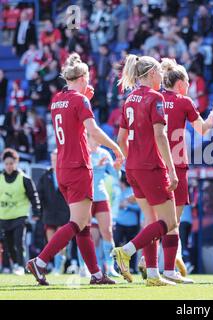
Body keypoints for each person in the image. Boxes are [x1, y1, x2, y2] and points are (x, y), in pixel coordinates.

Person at [26, 53, 124, 286]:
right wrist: (115, 148)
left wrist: (84, 98)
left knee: (82, 224)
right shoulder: (80, 101)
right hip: (78, 165)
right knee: (77, 223)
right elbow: (93, 131)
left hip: (62, 167)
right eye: (88, 78)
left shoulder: (57, 99)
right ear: (82, 77)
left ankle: (96, 274)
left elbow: (71, 118)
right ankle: (40, 262)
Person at [136, 58, 213, 284]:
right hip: (176, 165)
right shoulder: (184, 101)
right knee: (172, 221)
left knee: (153, 218)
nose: (190, 85)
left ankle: (149, 260)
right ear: (180, 83)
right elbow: (202, 130)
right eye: (188, 81)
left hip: (150, 164)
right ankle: (164, 266)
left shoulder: (156, 98)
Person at [113, 54, 179, 286]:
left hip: (133, 167)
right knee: (169, 222)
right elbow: (160, 135)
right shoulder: (155, 97)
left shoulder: (129, 99)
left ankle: (152, 275)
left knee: (150, 221)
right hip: (151, 166)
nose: (162, 76)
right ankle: (127, 251)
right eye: (160, 72)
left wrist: (132, 159)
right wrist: (171, 170)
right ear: (151, 73)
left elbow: (121, 138)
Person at [0, 148, 41, 275]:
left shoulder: (24, 179)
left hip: (20, 215)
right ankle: (6, 267)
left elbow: (33, 196)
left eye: (11, 163)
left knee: (19, 242)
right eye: (6, 164)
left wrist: (36, 212)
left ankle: (19, 266)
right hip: (3, 216)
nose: (9, 166)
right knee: (6, 244)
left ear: (16, 163)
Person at [88, 134, 121, 277]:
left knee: (107, 232)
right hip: (85, 197)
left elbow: (115, 176)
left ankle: (110, 267)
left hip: (101, 196)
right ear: (88, 137)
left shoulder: (104, 153)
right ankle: (85, 267)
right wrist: (96, 166)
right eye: (97, 138)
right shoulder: (82, 150)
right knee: (86, 234)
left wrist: (117, 168)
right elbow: (81, 172)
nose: (100, 142)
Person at [36, 149, 70, 274]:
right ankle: (56, 265)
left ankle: (58, 267)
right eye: (52, 159)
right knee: (51, 242)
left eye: (56, 159)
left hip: (64, 213)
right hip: (49, 214)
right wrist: (38, 210)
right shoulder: (46, 176)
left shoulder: (66, 174)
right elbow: (39, 193)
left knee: (61, 240)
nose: (54, 162)